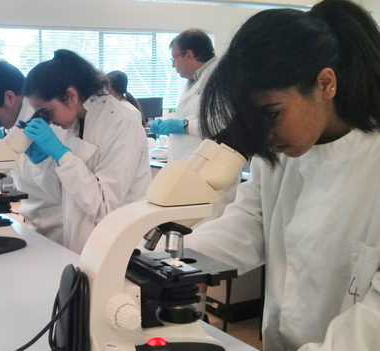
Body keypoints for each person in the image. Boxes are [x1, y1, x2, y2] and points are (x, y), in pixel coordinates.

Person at [184, 1, 380, 350]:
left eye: (271, 113)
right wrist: (181, 264)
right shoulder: (283, 154)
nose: (265, 133)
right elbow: (249, 222)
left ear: (325, 84)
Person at [22, 49, 152, 254]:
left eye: (47, 111)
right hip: (83, 244)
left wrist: (63, 156)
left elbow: (105, 207)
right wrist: (42, 161)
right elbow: (68, 195)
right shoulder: (79, 121)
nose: (48, 119)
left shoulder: (121, 122)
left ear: (71, 96)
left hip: (117, 248)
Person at [0, 59, 65, 245]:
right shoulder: (14, 122)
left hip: (60, 226)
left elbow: (56, 183)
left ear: (10, 97)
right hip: (35, 220)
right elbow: (16, 174)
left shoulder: (46, 123)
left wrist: (4, 154)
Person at [154, 29, 239, 223]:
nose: (173, 64)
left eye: (173, 58)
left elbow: (221, 124)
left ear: (189, 55)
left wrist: (182, 125)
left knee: (204, 237)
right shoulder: (195, 79)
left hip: (210, 176)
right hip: (190, 174)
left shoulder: (221, 77)